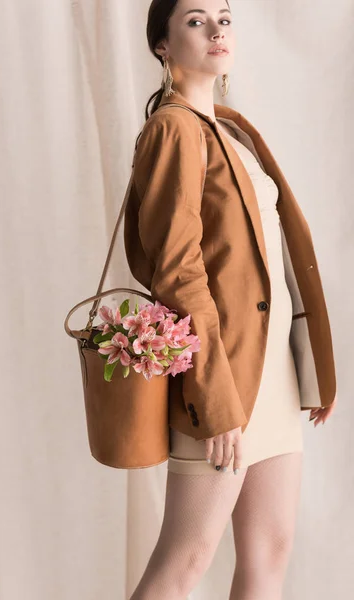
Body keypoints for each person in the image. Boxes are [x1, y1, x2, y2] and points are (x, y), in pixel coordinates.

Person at [123, 1, 338, 598]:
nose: (217, 29)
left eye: (224, 16)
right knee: (186, 559)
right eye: (194, 20)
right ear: (161, 45)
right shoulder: (173, 128)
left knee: (271, 549)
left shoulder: (229, 127)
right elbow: (176, 269)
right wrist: (214, 396)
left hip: (269, 371)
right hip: (222, 378)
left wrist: (306, 368)